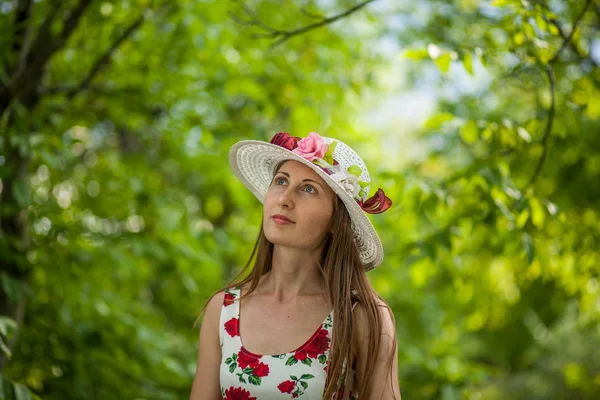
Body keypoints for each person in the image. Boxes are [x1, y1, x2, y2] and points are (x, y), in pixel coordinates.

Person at [191, 132, 401, 399]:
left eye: (308, 188)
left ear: (337, 222)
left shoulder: (362, 316)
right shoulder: (223, 310)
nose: (285, 199)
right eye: (281, 181)